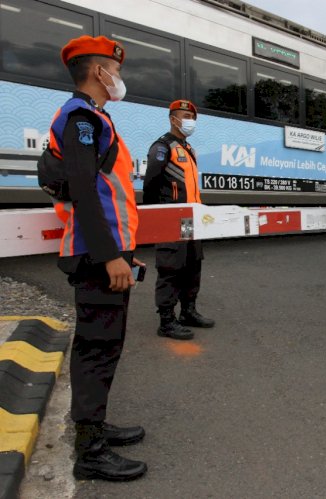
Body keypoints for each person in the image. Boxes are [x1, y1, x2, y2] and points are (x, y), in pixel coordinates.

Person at [50, 35, 147, 481]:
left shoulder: (95, 118)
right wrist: (111, 257)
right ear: (99, 72)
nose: (119, 78)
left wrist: (125, 254)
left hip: (104, 251)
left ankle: (95, 426)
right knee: (96, 348)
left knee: (106, 346)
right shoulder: (80, 118)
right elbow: (85, 191)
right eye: (116, 69)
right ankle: (89, 452)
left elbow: (111, 195)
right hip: (94, 254)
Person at [143, 100, 214, 340]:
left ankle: (188, 311)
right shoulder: (163, 147)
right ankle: (166, 321)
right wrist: (157, 215)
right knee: (170, 268)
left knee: (193, 265)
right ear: (173, 119)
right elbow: (150, 183)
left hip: (192, 219)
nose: (190, 121)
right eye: (185, 116)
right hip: (170, 219)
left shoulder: (189, 149)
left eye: (193, 117)